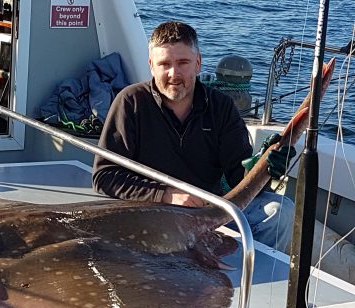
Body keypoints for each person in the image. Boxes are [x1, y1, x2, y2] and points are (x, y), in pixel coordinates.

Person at [92, 21, 295, 252]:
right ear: (151, 65)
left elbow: (239, 178)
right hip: (150, 214)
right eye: (164, 64)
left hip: (207, 212)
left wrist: (265, 167)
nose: (173, 74)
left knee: (281, 210)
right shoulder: (131, 102)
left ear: (198, 63)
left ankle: (249, 281)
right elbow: (104, 176)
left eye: (183, 63)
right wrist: (165, 195)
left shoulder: (221, 107)